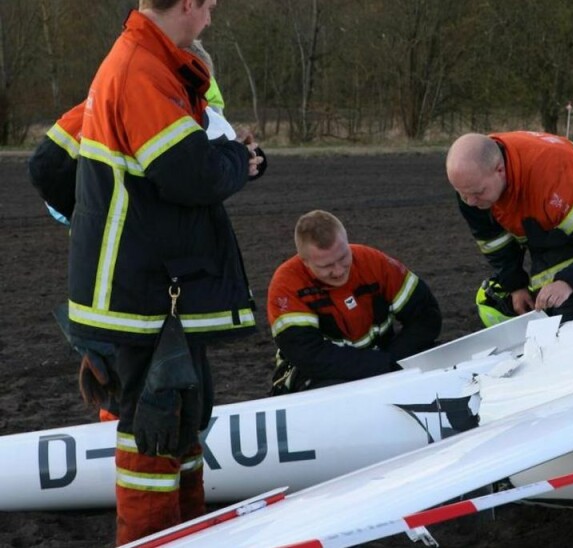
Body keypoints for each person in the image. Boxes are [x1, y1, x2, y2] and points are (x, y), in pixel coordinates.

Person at [66, 1, 262, 543]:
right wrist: (236, 162)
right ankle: (152, 537)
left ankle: (187, 532)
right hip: (144, 289)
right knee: (152, 427)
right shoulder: (141, 70)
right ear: (189, 4)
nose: (212, 16)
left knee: (180, 418)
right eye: (209, 6)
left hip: (156, 284)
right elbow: (187, 173)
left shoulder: (151, 63)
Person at [28, 39, 256, 425]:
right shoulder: (178, 97)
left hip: (98, 271)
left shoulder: (102, 98)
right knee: (168, 399)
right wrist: (246, 160)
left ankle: (112, 430)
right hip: (156, 277)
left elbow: (49, 176)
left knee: (122, 378)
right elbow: (203, 173)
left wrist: (89, 216)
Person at [445, 131, 573, 324]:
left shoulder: (553, 177)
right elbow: (494, 243)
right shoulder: (472, 183)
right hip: (543, 209)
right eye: (462, 194)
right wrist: (516, 286)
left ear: (500, 170)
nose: (471, 202)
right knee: (542, 306)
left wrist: (569, 282)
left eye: (477, 193)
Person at [267, 210, 441, 393]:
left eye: (343, 258)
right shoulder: (286, 285)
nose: (339, 270)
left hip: (384, 356)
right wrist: (381, 365)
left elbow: (427, 316)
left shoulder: (374, 262)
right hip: (320, 373)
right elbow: (308, 355)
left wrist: (392, 359)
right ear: (305, 261)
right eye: (326, 266)